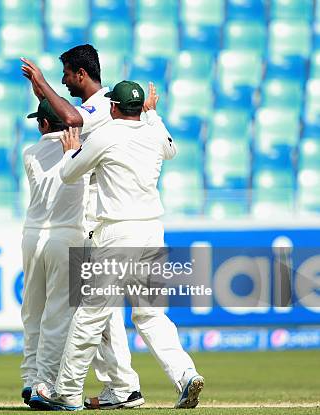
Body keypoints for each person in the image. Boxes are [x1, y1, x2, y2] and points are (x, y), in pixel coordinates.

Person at [37, 81, 204, 410]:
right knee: (152, 315)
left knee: (89, 316)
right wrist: (153, 114)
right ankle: (185, 374)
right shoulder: (154, 133)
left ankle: (67, 392)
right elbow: (172, 148)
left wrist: (70, 150)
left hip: (117, 233)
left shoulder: (106, 135)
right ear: (139, 108)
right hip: (152, 232)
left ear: (113, 107)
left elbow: (70, 174)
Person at [22, 44, 149, 409]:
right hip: (98, 218)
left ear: (80, 74)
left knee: (91, 309)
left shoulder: (98, 108)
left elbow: (72, 119)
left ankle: (62, 387)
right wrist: (43, 90)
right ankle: (123, 386)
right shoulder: (104, 107)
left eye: (65, 75)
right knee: (100, 310)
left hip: (96, 219)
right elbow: (63, 114)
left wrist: (43, 84)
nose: (63, 81)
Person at [20, 99, 89, 410]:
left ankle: (29, 377)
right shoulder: (83, 146)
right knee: (58, 314)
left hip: (33, 236)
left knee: (32, 311)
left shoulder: (30, 152)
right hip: (67, 236)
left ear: (45, 125)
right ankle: (44, 383)